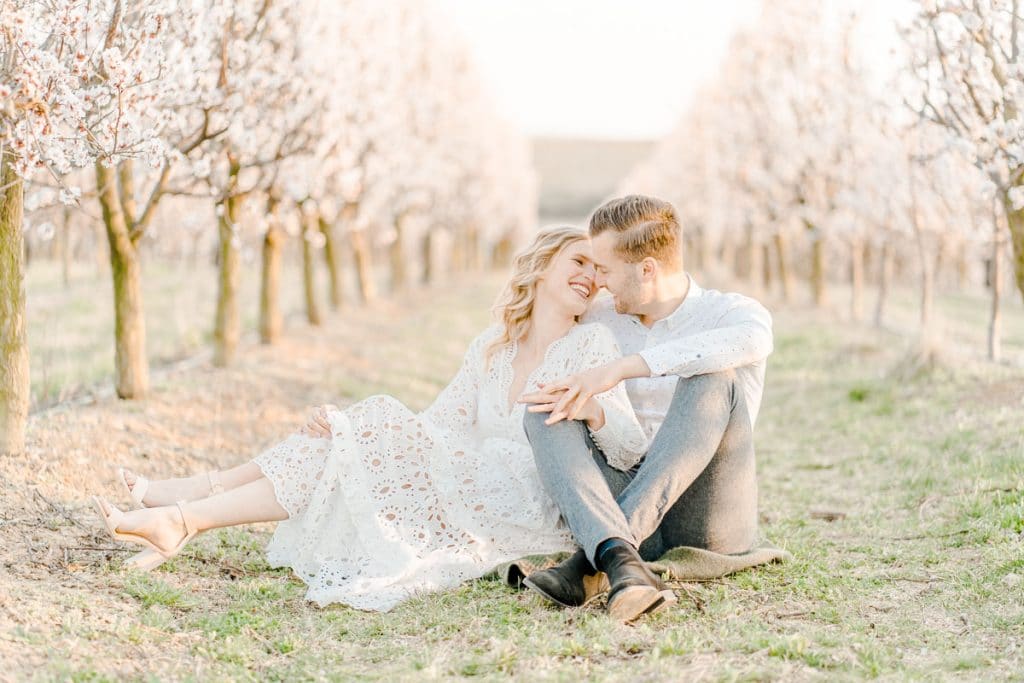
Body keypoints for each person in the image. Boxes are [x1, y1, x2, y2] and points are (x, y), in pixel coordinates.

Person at [92, 227, 651, 614]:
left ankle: (187, 504)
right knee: (346, 435)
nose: (591, 278)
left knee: (365, 426)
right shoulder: (492, 348)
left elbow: (630, 449)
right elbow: (440, 426)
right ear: (541, 266)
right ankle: (184, 516)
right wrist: (352, 432)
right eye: (578, 261)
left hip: (528, 501)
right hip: (466, 479)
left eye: (597, 273)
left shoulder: (592, 345)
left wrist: (594, 407)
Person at [519, 195, 773, 621]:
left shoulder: (731, 313)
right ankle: (620, 558)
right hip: (621, 493)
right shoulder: (601, 318)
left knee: (713, 376)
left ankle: (591, 563)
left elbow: (752, 342)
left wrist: (623, 369)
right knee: (549, 407)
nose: (598, 281)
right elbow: (541, 327)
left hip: (707, 514)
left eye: (604, 268)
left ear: (647, 269)